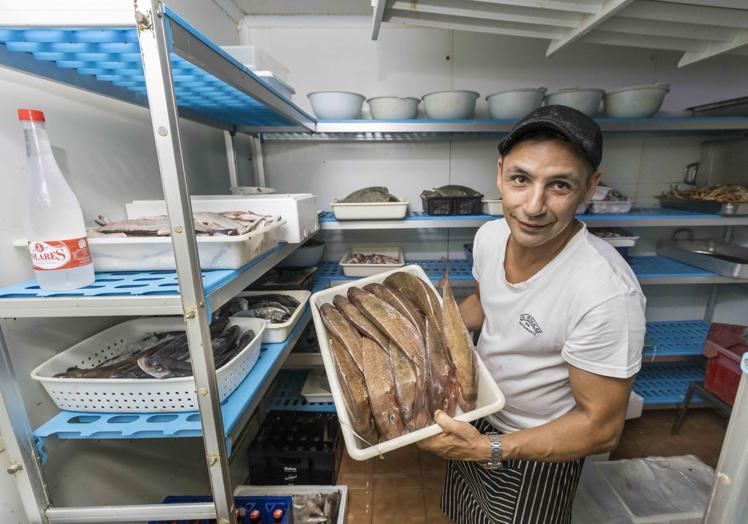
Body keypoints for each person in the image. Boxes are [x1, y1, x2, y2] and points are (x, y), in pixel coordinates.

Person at [419, 105, 646, 524]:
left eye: (559, 185)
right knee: (467, 515)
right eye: (521, 179)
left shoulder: (606, 293)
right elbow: (484, 304)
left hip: (539, 445)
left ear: (590, 187)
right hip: (475, 413)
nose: (533, 206)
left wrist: (490, 448)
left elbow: (600, 428)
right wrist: (423, 335)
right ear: (501, 172)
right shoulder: (490, 235)